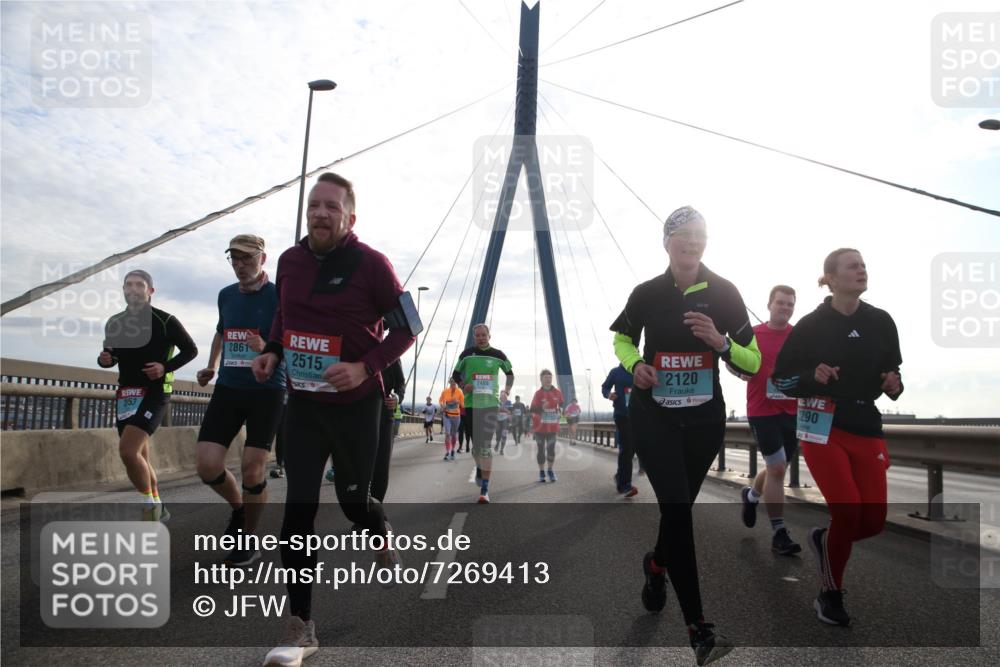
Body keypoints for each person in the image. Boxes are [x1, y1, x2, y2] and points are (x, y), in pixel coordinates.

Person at [252, 172, 416, 666]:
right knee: (297, 513)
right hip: (302, 405)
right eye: (315, 205)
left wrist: (365, 365)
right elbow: (285, 315)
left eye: (332, 207)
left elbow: (409, 326)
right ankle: (301, 629)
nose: (321, 213)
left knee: (352, 503)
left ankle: (377, 525)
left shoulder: (372, 264)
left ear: (349, 217)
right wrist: (275, 353)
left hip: (356, 407)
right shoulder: (289, 261)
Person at [610, 206, 760, 665]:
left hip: (704, 420)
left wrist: (721, 342)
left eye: (699, 235)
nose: (692, 242)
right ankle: (699, 629)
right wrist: (635, 366)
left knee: (677, 513)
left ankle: (656, 566)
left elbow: (752, 362)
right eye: (683, 235)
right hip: (654, 417)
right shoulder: (647, 293)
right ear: (667, 242)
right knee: (678, 510)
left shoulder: (726, 292)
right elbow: (621, 337)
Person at [772, 248, 902, 628]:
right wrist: (814, 376)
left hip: (865, 423)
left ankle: (824, 540)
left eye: (864, 264)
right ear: (830, 278)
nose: (862, 269)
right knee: (846, 511)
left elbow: (891, 374)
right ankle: (829, 593)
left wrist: (894, 384)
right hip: (822, 425)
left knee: (873, 521)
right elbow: (782, 380)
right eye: (853, 265)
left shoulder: (881, 321)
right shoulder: (810, 326)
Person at [194, 234, 286, 567]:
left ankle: (248, 538)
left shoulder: (279, 296)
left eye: (247, 258)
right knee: (206, 464)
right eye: (234, 258)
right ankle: (238, 508)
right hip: (229, 388)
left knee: (252, 468)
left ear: (263, 258)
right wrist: (212, 365)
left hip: (268, 390)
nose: (239, 265)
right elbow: (222, 331)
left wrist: (267, 348)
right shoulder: (226, 295)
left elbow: (292, 341)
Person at [98, 269, 197, 521]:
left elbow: (191, 350)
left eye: (139, 285)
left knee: (127, 451)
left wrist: (165, 367)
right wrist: (105, 360)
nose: (133, 289)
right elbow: (112, 356)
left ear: (150, 291)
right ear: (123, 290)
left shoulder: (165, 320)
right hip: (126, 393)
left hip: (155, 392)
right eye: (128, 285)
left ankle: (150, 507)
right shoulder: (115, 322)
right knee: (139, 455)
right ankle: (158, 505)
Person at [728, 285, 802, 556]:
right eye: (780, 303)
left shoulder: (799, 336)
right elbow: (731, 359)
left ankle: (751, 496)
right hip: (761, 410)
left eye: (790, 304)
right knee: (778, 467)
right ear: (769, 305)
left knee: (775, 468)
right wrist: (740, 374)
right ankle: (779, 532)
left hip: (792, 411)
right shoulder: (754, 335)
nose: (785, 307)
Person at [452, 323, 513, 504]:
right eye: (477, 335)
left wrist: (506, 391)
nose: (481, 338)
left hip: (490, 405)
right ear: (474, 337)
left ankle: (485, 489)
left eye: (483, 335)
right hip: (471, 405)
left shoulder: (498, 355)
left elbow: (510, 374)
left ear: (489, 335)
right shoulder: (466, 355)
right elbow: (456, 375)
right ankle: (479, 467)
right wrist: (464, 385)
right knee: (476, 447)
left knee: (485, 446)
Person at [602, 363, 638, 497]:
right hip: (622, 415)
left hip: (638, 415)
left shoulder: (640, 369)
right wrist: (608, 394)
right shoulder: (615, 372)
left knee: (632, 449)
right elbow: (605, 387)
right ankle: (624, 485)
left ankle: (620, 475)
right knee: (627, 448)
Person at [371, 361, 406, 502]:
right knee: (359, 468)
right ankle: (359, 514)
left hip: (384, 416)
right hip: (358, 415)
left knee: (381, 466)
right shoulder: (357, 344)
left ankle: (375, 510)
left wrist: (397, 397)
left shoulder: (391, 350)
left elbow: (400, 383)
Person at [529, 370, 563, 483]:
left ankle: (550, 470)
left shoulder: (557, 392)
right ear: (541, 379)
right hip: (539, 427)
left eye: (549, 377)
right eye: (545, 377)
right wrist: (541, 408)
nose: (548, 379)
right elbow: (532, 409)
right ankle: (541, 472)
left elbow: (561, 404)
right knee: (541, 450)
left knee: (551, 450)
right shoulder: (538, 394)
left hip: (552, 427)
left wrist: (560, 411)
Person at [438, 378, 465, 461]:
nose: (452, 383)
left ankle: (453, 450)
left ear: (456, 383)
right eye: (451, 381)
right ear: (449, 382)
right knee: (447, 433)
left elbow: (463, 404)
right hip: (447, 416)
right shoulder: (445, 391)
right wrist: (442, 406)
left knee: (453, 435)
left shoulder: (459, 392)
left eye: (454, 381)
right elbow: (441, 400)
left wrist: (458, 403)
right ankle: (448, 452)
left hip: (456, 416)